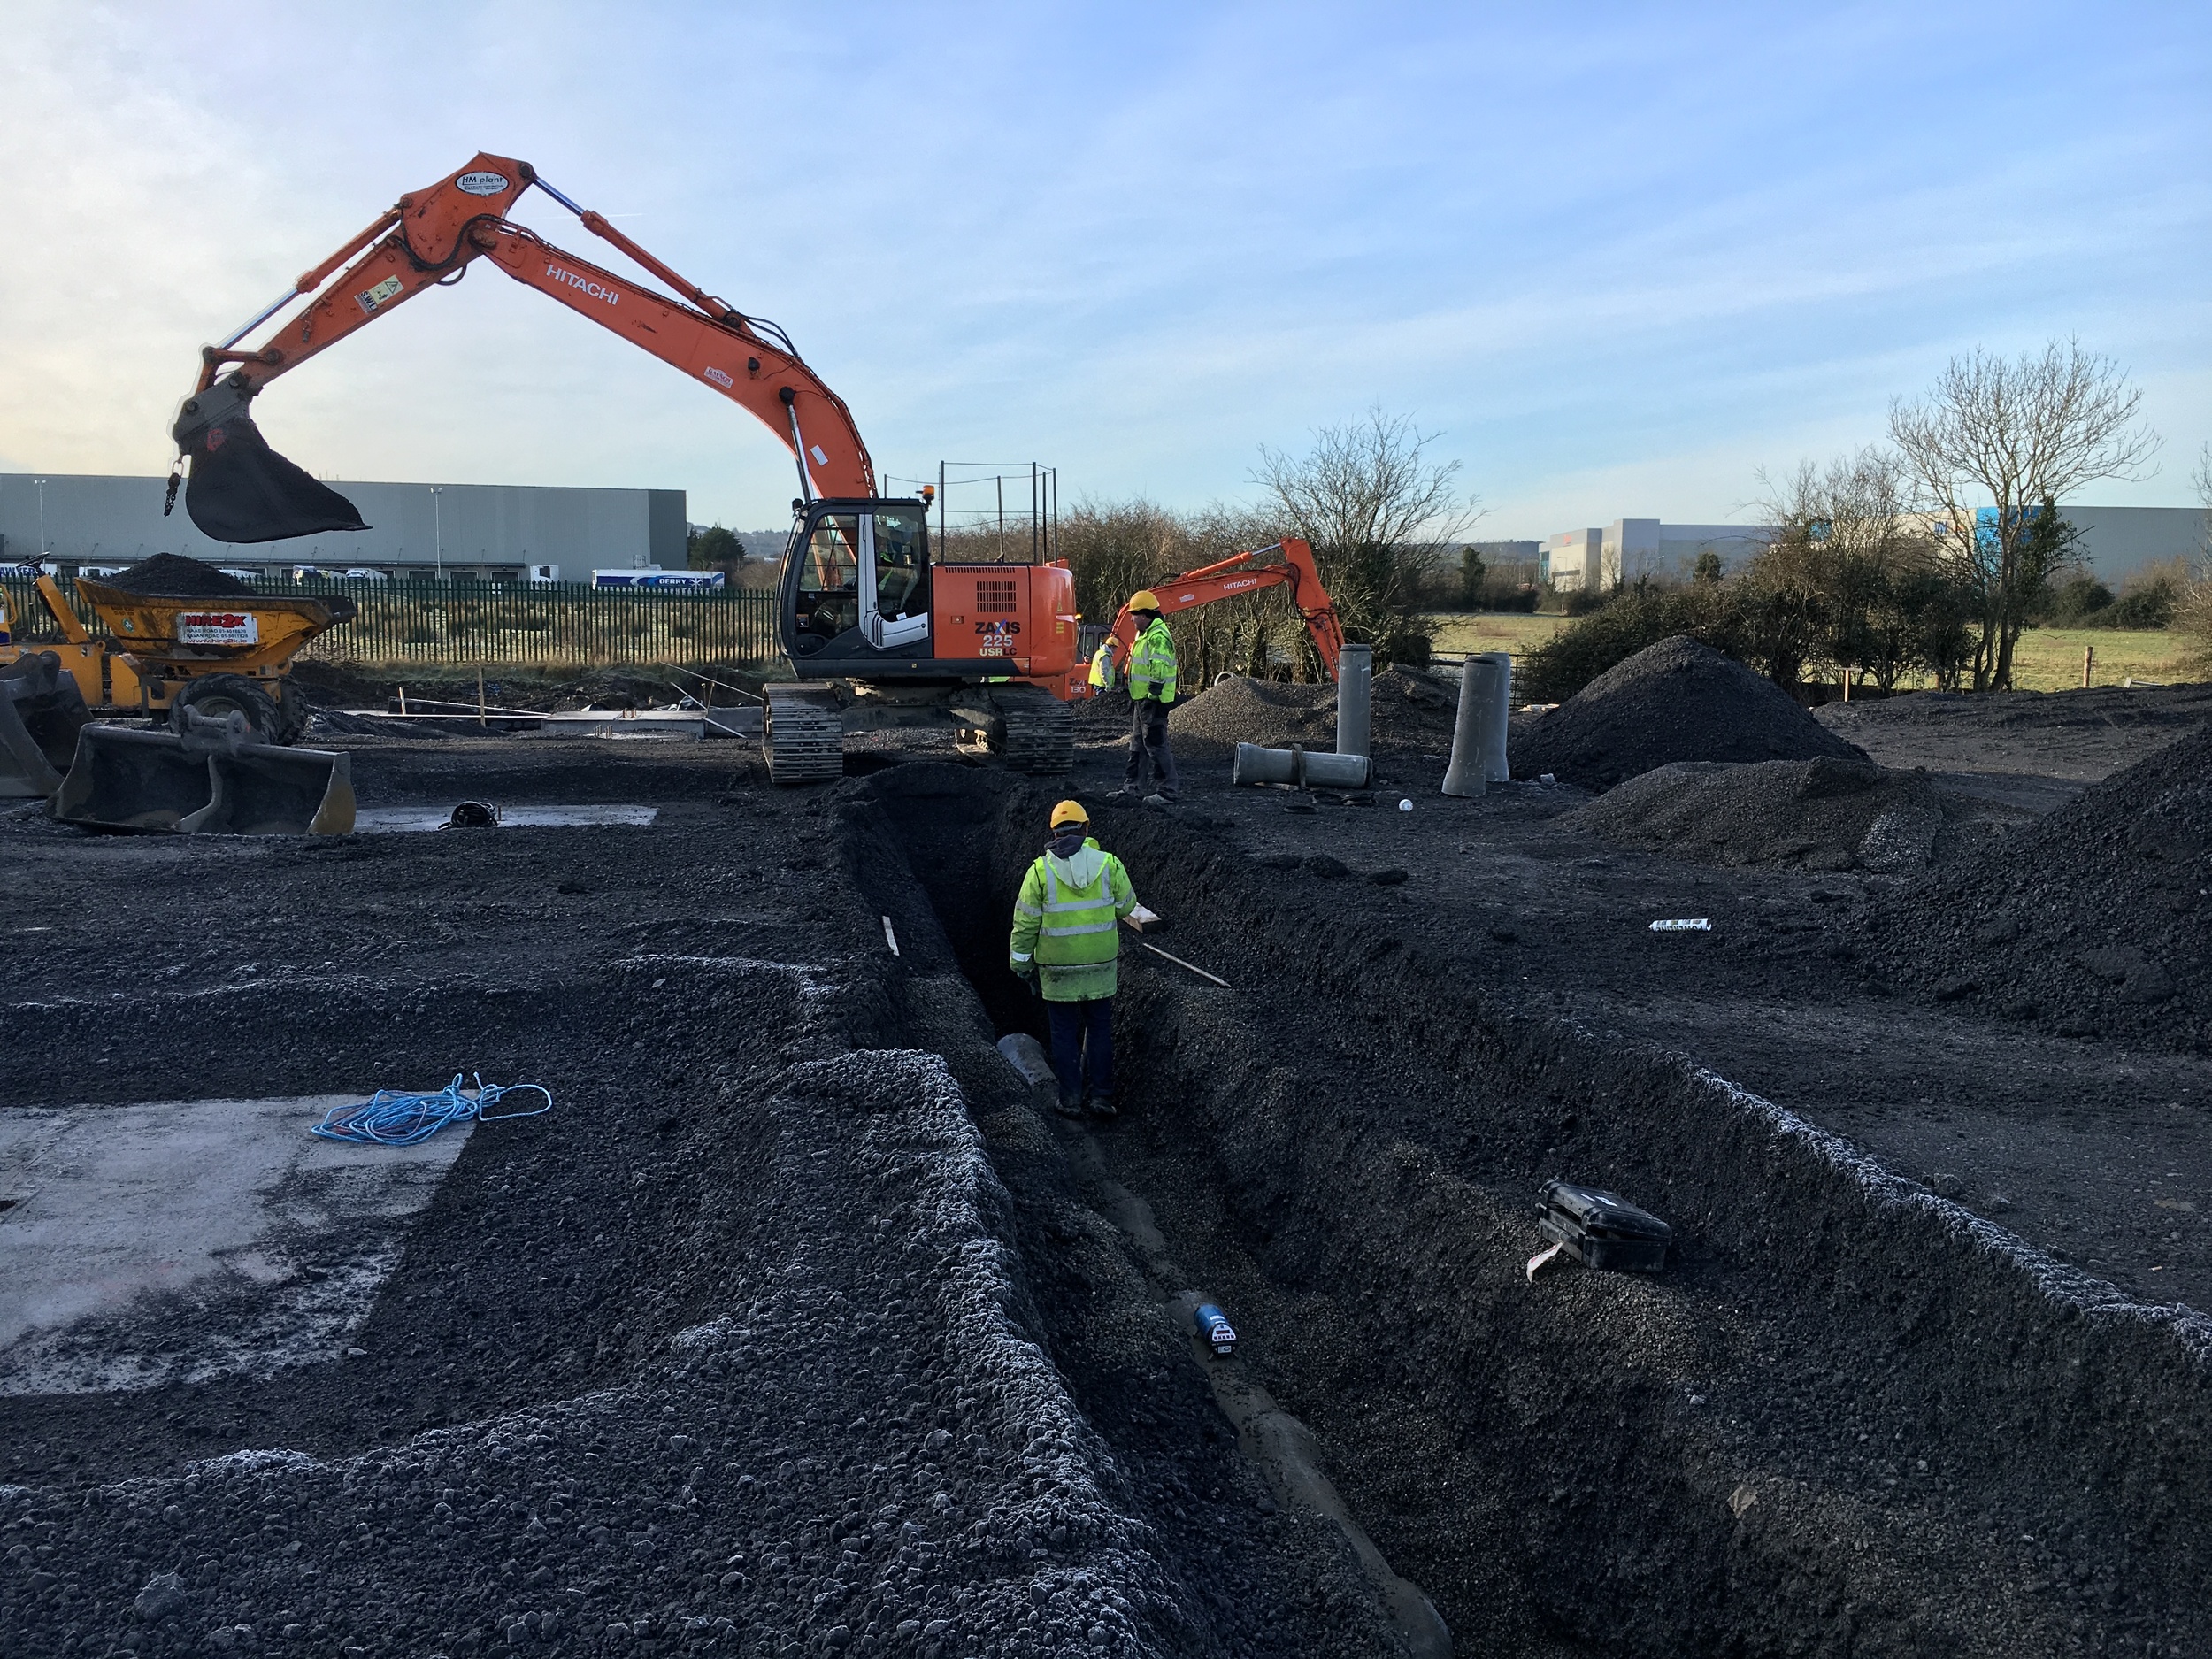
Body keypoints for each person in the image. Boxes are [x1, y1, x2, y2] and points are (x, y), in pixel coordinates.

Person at [1008, 799, 1138, 1118]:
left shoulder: (1040, 871)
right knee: (1099, 1029)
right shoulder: (1109, 864)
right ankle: (1102, 1098)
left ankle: (1070, 1101)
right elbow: (1126, 906)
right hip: (1100, 966)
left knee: (1064, 1034)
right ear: (1085, 828)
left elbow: (1025, 924)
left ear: (1053, 833)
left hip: (1057, 970)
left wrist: (1022, 964)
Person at [1115, 589, 1179, 805]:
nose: (1131, 619)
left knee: (1155, 744)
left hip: (1153, 700)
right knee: (1138, 744)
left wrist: (1153, 694)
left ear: (1144, 615)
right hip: (1142, 699)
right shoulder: (1146, 634)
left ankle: (1167, 791)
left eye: (1134, 615)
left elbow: (1159, 668)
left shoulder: (1158, 636)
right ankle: (1133, 787)